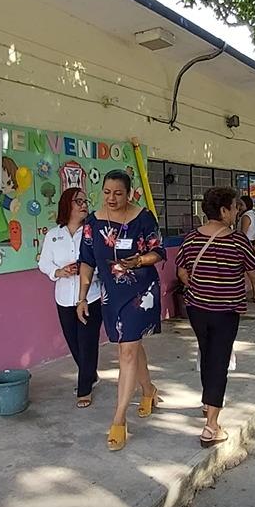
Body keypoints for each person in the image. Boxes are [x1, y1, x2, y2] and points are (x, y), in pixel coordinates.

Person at [176, 188, 255, 447]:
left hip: (197, 309)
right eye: (234, 207)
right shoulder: (237, 240)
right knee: (219, 361)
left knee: (207, 353)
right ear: (223, 211)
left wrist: (198, 286)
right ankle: (211, 427)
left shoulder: (190, 239)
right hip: (225, 312)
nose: (237, 211)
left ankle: (207, 402)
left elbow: (181, 272)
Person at [77, 170, 166, 451]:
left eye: (118, 193)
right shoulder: (93, 222)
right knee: (132, 343)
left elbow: (158, 251)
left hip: (141, 290)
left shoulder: (143, 217)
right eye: (107, 192)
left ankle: (119, 419)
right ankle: (149, 390)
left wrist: (138, 261)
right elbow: (87, 261)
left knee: (126, 349)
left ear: (129, 193)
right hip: (111, 294)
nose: (111, 198)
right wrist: (82, 297)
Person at [39, 188, 104, 408]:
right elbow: (44, 264)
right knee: (74, 343)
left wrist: (87, 271)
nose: (84, 205)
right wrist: (59, 272)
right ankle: (90, 374)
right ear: (67, 204)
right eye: (79, 201)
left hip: (91, 296)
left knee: (87, 343)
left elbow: (101, 263)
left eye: (85, 201)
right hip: (64, 298)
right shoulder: (53, 235)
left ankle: (84, 389)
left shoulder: (92, 232)